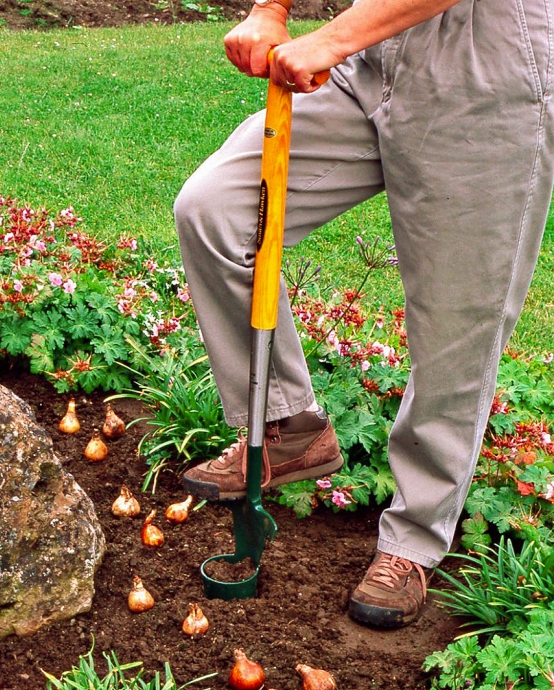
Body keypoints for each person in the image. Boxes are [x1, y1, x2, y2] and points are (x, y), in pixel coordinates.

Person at [174, 0, 554, 628]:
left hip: (487, 71)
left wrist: (329, 39)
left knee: (456, 321)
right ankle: (289, 425)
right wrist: (271, 10)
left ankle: (413, 538)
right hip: (374, 53)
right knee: (217, 211)